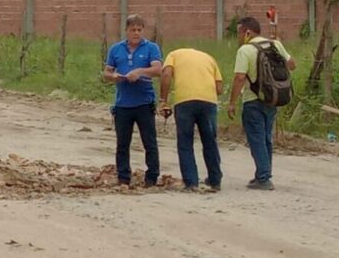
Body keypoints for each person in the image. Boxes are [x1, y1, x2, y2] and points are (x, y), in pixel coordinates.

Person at [227, 16, 296, 190]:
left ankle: (264, 178)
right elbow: (292, 65)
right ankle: (262, 174)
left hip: (253, 100)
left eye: (239, 33)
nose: (239, 37)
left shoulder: (245, 50)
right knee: (266, 138)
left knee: (256, 139)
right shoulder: (275, 45)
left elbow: (239, 78)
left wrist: (232, 102)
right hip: (272, 98)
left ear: (247, 32)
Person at [103, 14, 162, 187]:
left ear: (143, 30)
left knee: (149, 142)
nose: (136, 33)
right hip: (123, 103)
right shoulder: (116, 49)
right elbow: (106, 72)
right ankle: (123, 177)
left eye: (139, 30)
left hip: (144, 102)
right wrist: (114, 76)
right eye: (132, 30)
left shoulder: (151, 48)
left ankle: (151, 177)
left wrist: (140, 72)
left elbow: (158, 69)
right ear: (126, 31)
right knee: (122, 143)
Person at [159, 48, 223, 192]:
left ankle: (191, 182)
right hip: (208, 102)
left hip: (184, 101)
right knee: (210, 141)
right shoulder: (209, 57)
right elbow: (219, 88)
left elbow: (167, 74)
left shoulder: (173, 55)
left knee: (185, 142)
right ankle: (215, 179)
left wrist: (163, 100)